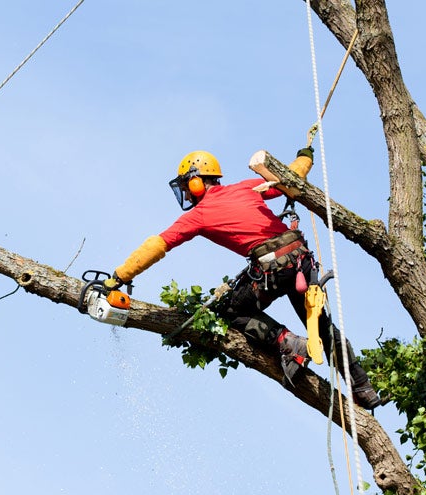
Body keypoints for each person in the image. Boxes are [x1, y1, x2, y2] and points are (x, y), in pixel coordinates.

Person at [108, 149, 381, 410]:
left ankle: (289, 343)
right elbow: (290, 176)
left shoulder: (199, 215)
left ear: (195, 183)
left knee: (231, 311)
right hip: (300, 260)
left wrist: (119, 276)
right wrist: (304, 157)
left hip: (272, 267)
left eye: (187, 186)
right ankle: (363, 389)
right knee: (322, 328)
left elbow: (157, 245)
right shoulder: (245, 187)